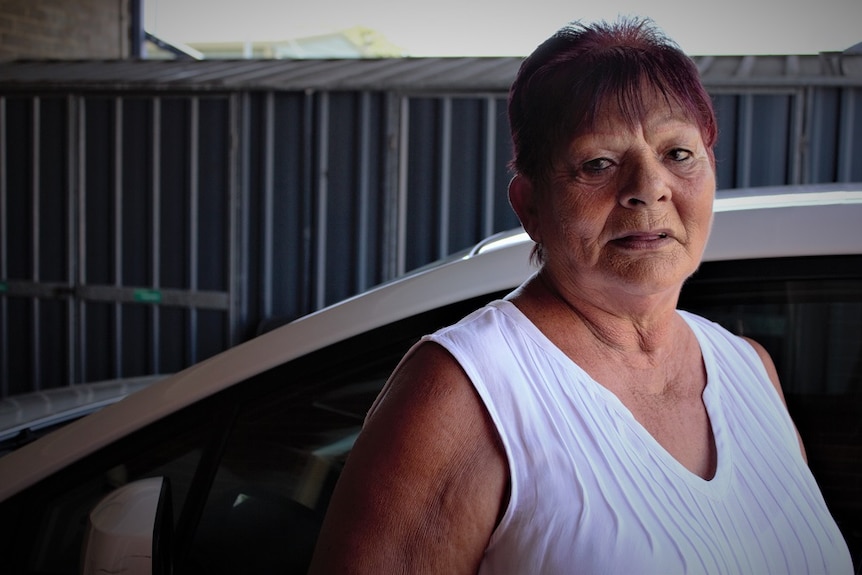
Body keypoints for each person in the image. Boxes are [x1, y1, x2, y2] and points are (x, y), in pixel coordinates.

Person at [308, 17, 853, 574]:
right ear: (530, 206)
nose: (648, 188)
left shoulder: (749, 370)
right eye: (599, 163)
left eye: (678, 154)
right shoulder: (462, 395)